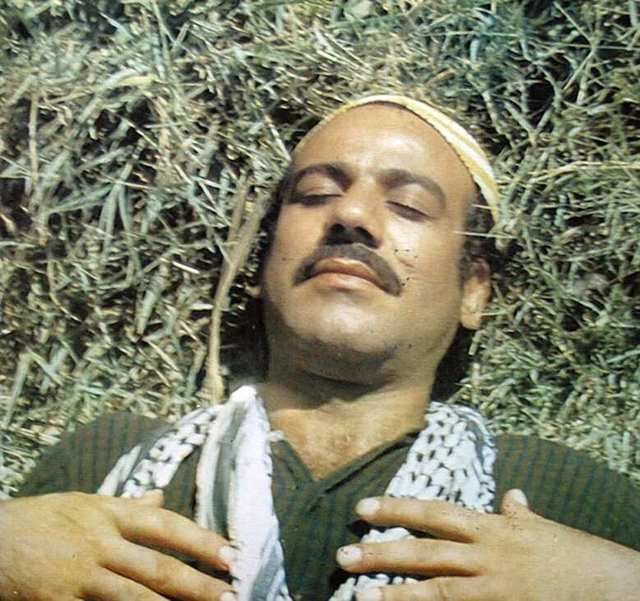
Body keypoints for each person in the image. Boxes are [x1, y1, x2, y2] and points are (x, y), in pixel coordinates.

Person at [1, 95, 639, 601]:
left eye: (408, 205)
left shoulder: (561, 495)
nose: (351, 216)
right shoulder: (108, 463)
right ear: (262, 266)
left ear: (473, 292)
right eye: (315, 196)